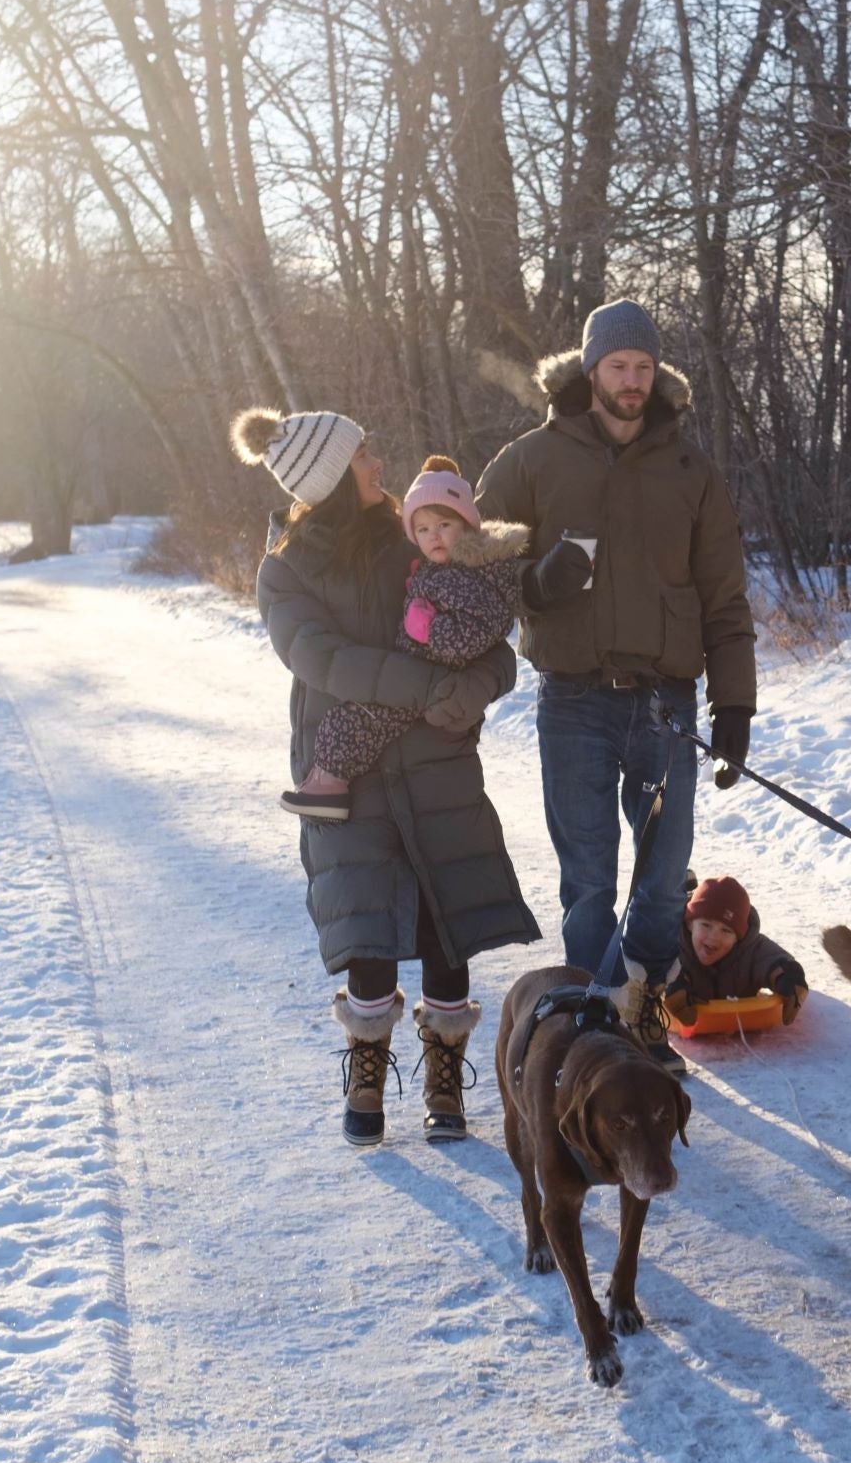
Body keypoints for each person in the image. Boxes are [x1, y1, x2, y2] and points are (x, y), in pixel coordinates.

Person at [242, 408, 539, 1145]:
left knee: (447, 927)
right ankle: (369, 1073)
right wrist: (426, 690)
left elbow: (488, 636)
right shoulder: (285, 567)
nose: (379, 462)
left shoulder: (416, 535)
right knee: (367, 933)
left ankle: (445, 1080)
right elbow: (320, 660)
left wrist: (480, 684)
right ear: (335, 473)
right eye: (364, 454)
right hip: (346, 769)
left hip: (437, 761)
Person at [476, 300, 758, 1077]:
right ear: (589, 370)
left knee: (666, 876)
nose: (630, 382)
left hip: (666, 699)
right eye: (616, 367)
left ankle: (638, 1005)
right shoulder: (533, 459)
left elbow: (725, 597)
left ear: (655, 375)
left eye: (642, 368)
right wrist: (536, 581)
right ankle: (595, 1027)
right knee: (591, 880)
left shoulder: (689, 470)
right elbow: (469, 559)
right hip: (573, 698)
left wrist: (734, 703)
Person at [280, 456, 529, 821]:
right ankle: (324, 781)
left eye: (445, 524)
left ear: (466, 524)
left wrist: (426, 628)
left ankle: (328, 785)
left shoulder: (469, 573)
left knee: (353, 723)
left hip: (429, 680)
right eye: (424, 529)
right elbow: (315, 652)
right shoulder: (434, 566)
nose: (434, 536)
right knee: (347, 722)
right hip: (415, 675)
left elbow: (478, 637)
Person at [660, 875, 807, 1030]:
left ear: (739, 937)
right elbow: (656, 966)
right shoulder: (672, 945)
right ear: (690, 924)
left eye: (726, 930)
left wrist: (790, 977)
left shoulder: (750, 948)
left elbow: (774, 960)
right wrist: (669, 987)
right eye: (706, 925)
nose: (714, 937)